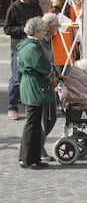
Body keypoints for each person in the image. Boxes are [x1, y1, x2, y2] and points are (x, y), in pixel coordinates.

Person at [18, 17, 57, 169]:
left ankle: (30, 157)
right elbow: (43, 66)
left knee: (33, 124)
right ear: (36, 32)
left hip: (31, 85)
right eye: (41, 30)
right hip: (35, 87)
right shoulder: (33, 47)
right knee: (32, 124)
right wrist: (51, 76)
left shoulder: (27, 45)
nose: (43, 32)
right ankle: (29, 158)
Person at [3, 0, 44, 120]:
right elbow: (7, 29)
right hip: (19, 47)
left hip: (33, 46)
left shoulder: (36, 5)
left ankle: (29, 104)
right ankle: (12, 106)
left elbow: (40, 21)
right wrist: (23, 29)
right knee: (16, 77)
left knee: (31, 77)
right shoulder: (14, 8)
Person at [38, 13, 61, 162]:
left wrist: (57, 74)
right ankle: (39, 149)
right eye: (56, 26)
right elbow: (42, 64)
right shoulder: (40, 42)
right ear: (49, 27)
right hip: (42, 86)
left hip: (51, 84)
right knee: (43, 119)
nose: (58, 29)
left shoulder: (49, 40)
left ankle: (38, 146)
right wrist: (51, 76)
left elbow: (51, 62)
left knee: (51, 118)